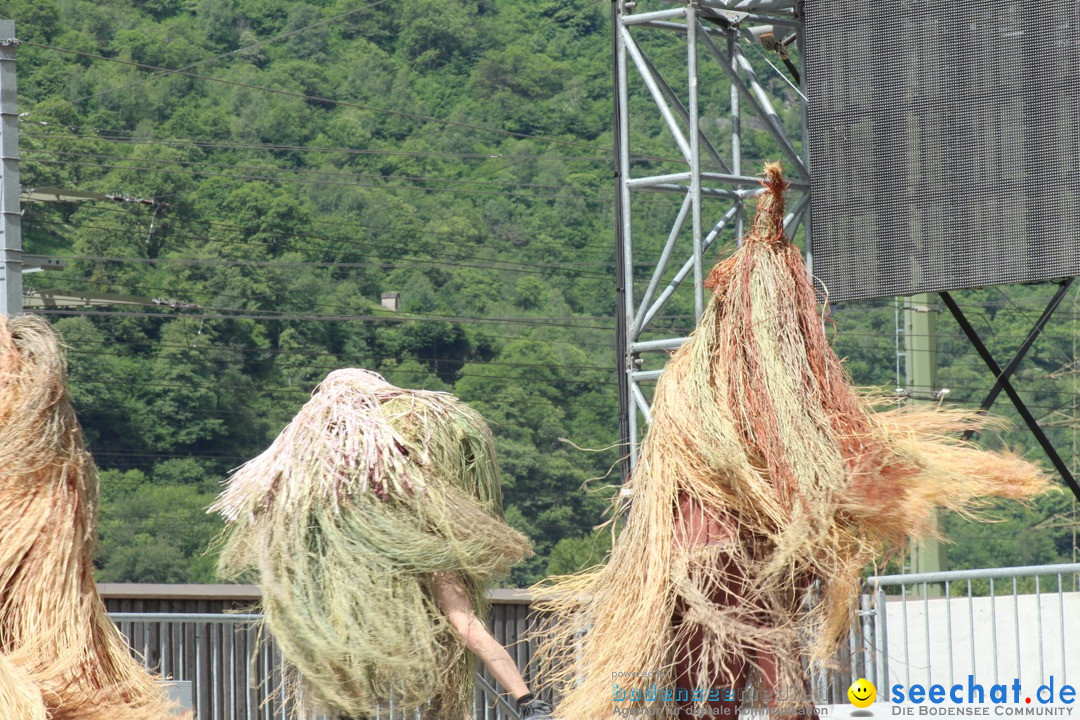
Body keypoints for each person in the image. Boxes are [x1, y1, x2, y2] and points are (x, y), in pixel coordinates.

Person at [212, 369, 554, 720]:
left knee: (355, 634)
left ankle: (360, 713)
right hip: (422, 550)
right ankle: (528, 702)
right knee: (464, 627)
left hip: (387, 561)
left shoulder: (339, 442)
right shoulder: (404, 428)